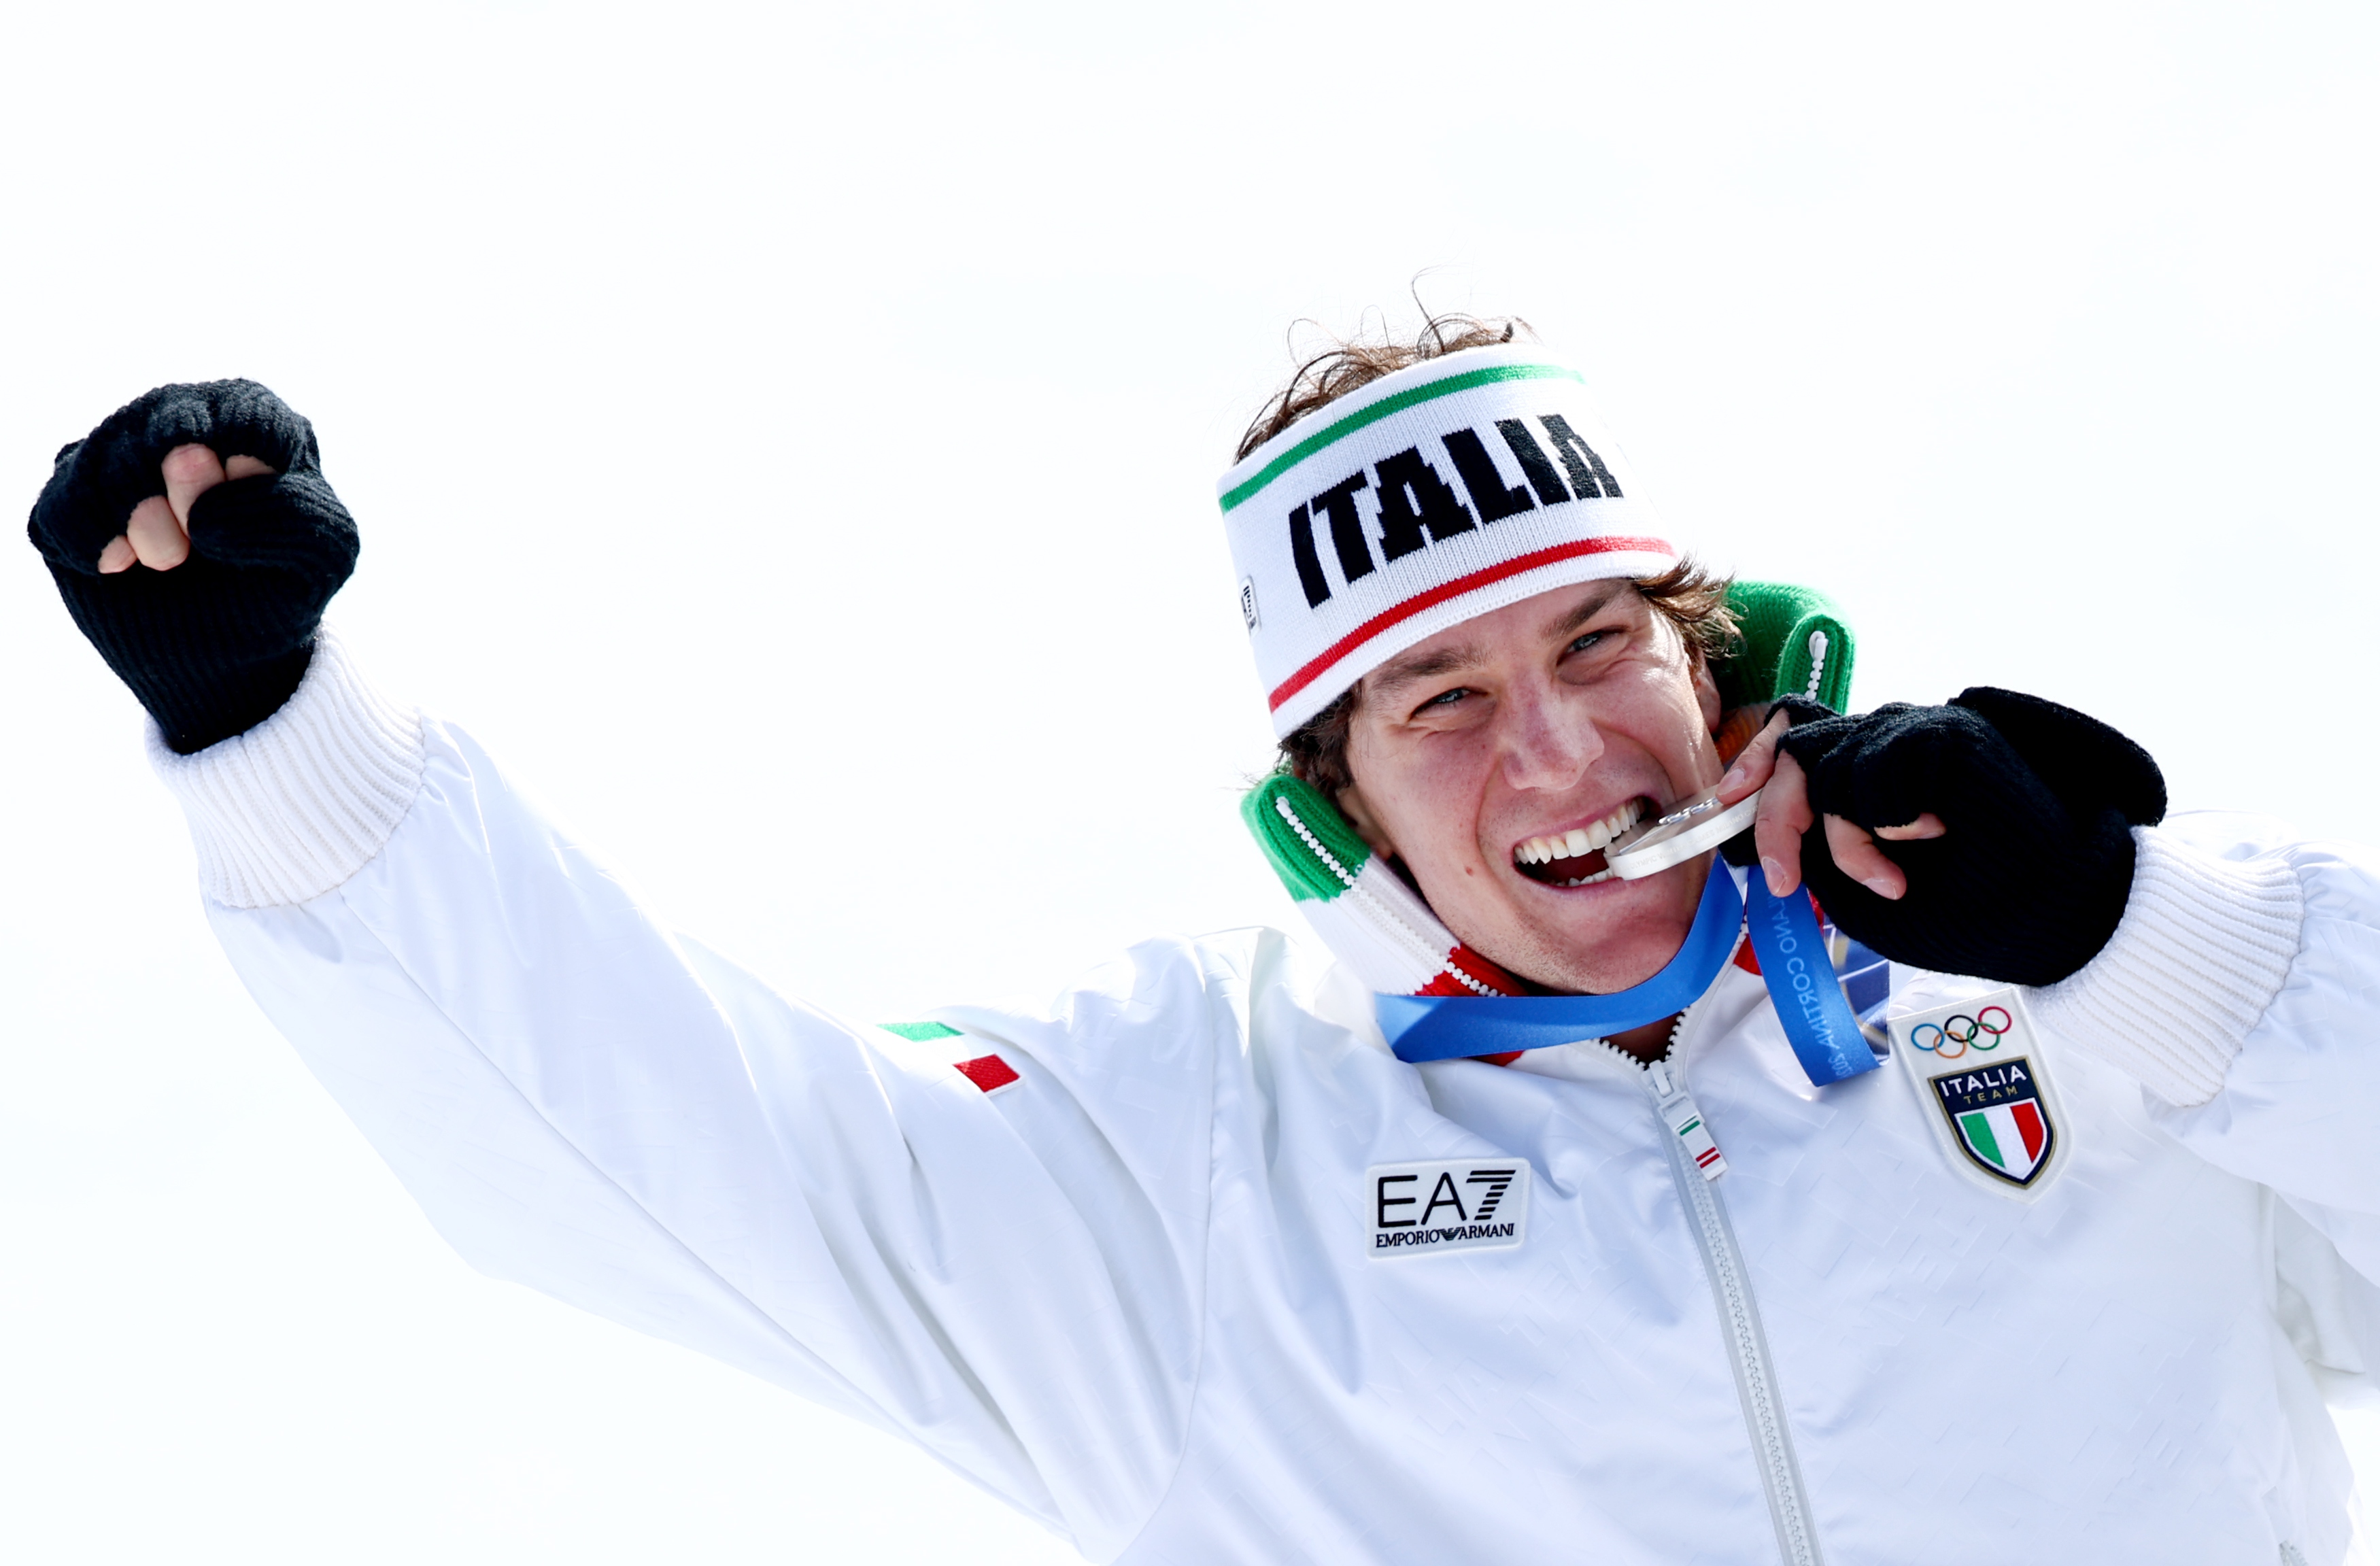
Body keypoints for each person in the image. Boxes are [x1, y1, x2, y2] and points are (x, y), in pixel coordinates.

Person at [26, 319, 2380, 1566]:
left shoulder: (2079, 985)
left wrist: (2131, 930)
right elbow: (675, 1133)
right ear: (1328, 805)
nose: (1554, 757)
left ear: (1719, 648)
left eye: (1595, 647)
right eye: (1439, 703)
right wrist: (275, 730)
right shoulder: (1189, 1156)